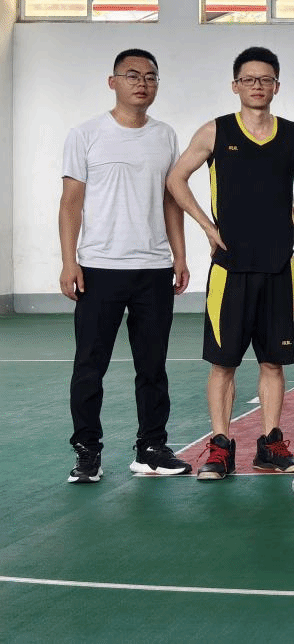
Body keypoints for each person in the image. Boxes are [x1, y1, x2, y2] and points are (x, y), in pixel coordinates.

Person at [166, 47, 294, 481]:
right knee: (223, 364)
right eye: (249, 79)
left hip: (279, 268)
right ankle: (220, 446)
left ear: (277, 86)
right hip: (230, 270)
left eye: (265, 79)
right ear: (236, 86)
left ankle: (270, 445)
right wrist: (207, 226)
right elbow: (175, 178)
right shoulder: (216, 131)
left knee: (273, 363)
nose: (257, 86)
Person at [60, 49, 192, 482]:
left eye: (151, 77)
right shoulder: (85, 134)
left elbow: (170, 200)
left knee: (152, 367)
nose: (142, 83)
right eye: (132, 75)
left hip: (153, 270)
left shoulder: (165, 135)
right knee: (89, 367)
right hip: (98, 268)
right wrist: (69, 261)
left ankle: (150, 449)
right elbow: (71, 202)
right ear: (112, 81)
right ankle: (87, 452)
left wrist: (179, 255)